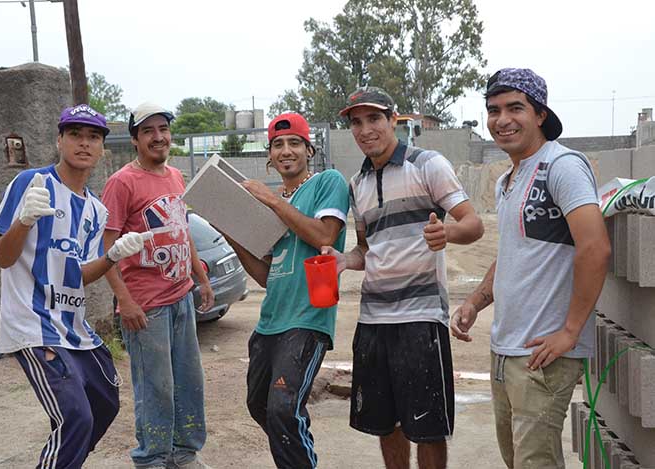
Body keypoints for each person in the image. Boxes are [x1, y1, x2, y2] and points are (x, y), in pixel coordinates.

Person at [450, 68, 611, 468]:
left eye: (515, 108)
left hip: (543, 356)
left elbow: (595, 248)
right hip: (506, 351)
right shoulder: (510, 178)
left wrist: (570, 332)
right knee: (517, 460)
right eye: (493, 110)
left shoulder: (562, 166)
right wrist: (475, 301)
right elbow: (513, 254)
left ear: (540, 114)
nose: (502, 120)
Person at [322, 86, 484, 469]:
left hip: (421, 320)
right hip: (373, 322)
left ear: (394, 120)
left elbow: (472, 223)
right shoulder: (357, 185)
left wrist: (448, 234)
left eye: (374, 118)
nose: (365, 129)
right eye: (356, 122)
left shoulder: (428, 165)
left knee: (428, 428)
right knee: (385, 424)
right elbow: (368, 249)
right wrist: (345, 261)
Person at [0, 104, 151, 468]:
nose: (84, 143)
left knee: (104, 404)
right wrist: (26, 220)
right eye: (75, 134)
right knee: (75, 417)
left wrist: (112, 257)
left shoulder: (95, 210)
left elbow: (76, 278)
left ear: (102, 148)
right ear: (59, 140)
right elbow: (3, 257)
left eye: (93, 137)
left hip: (73, 327)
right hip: (34, 324)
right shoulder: (32, 183)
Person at [220, 112, 349, 469]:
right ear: (270, 155)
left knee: (283, 406)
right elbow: (266, 275)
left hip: (308, 317)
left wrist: (273, 201)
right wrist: (232, 235)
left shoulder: (327, 182)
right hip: (270, 321)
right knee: (260, 405)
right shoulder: (270, 202)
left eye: (294, 143)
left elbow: (324, 236)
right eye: (278, 144)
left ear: (309, 150)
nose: (286, 151)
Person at [101, 102, 214, 469]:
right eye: (148, 131)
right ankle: (151, 459)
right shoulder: (121, 183)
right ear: (135, 139)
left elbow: (182, 231)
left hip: (181, 297)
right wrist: (124, 300)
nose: (158, 137)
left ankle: (183, 455)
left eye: (163, 129)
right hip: (146, 306)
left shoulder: (176, 177)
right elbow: (107, 247)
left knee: (188, 383)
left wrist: (199, 276)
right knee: (156, 388)